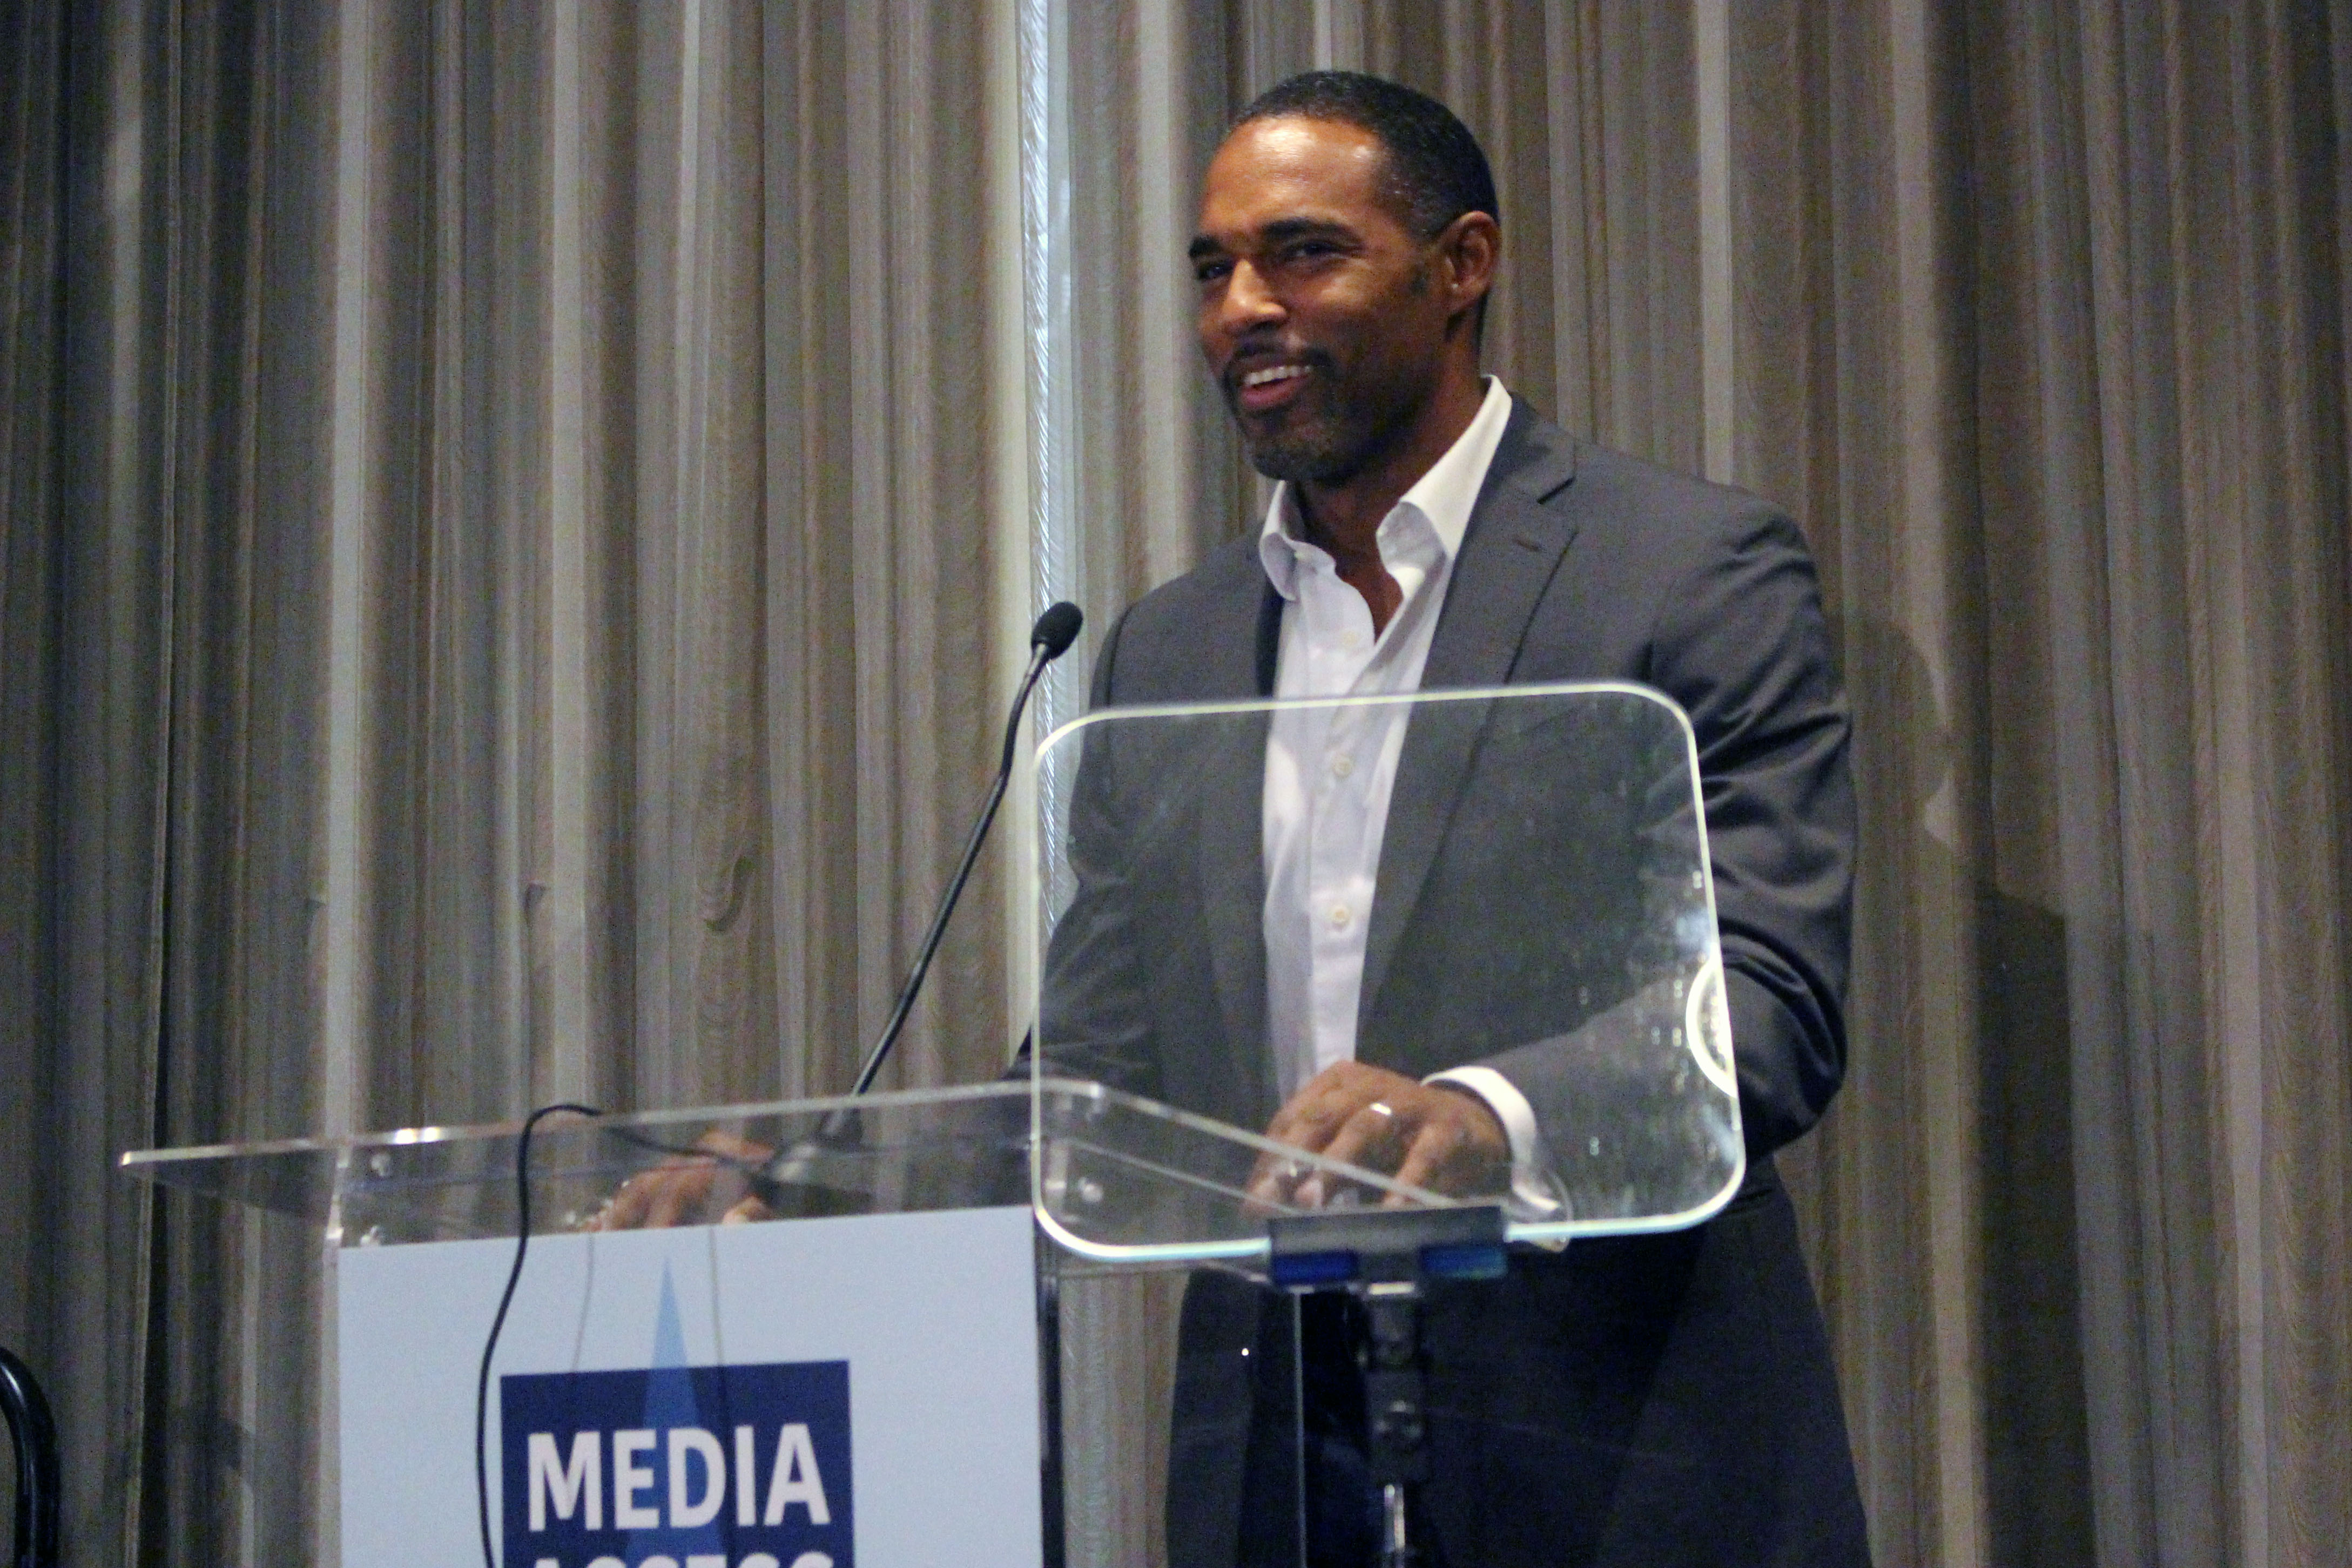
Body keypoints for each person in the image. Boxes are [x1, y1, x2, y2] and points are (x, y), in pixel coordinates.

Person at [1037, 71, 1868, 1566]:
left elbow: (1768, 1002)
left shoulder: (1684, 573)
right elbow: (1096, 1069)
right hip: (1280, 1463)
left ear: (1461, 264)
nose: (1238, 307)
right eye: (1211, 268)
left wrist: (1488, 1114)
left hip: (1615, 1444)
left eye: (1301, 252)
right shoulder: (1166, 650)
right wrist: (823, 1194)